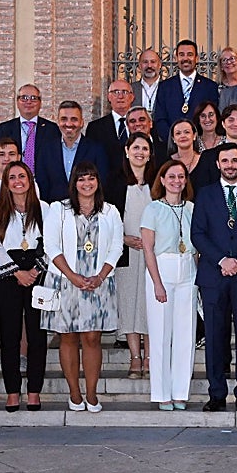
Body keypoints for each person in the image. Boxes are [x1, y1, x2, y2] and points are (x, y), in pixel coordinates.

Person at [41, 162, 123, 413]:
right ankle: (74, 394)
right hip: (66, 280)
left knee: (92, 337)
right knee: (68, 337)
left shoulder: (110, 211)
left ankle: (92, 393)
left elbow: (117, 247)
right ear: (73, 183)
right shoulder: (59, 209)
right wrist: (73, 276)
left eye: (91, 178)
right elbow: (51, 246)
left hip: (99, 281)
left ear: (98, 181)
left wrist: (100, 276)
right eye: (81, 179)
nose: (86, 183)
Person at [192, 142, 237, 411]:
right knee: (214, 336)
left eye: (235, 160)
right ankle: (217, 393)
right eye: (225, 161)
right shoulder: (205, 194)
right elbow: (197, 234)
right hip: (214, 275)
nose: (230, 165)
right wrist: (222, 260)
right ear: (218, 164)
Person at [0, 162, 49, 412]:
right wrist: (16, 272)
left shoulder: (44, 208)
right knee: (10, 334)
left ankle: (34, 391)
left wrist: (35, 269)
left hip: (38, 272)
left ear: (29, 179)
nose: (17, 181)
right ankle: (12, 391)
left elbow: (53, 241)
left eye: (22, 176)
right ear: (6, 182)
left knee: (37, 334)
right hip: (8, 276)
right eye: (12, 177)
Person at [141, 160, 197, 411]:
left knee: (186, 334)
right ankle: (162, 392)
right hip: (161, 269)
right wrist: (157, 283)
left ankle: (180, 391)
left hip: (188, 271)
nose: (176, 181)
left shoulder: (193, 208)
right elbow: (148, 248)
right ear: (162, 180)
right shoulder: (152, 209)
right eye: (171, 176)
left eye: (181, 177)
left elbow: (198, 246)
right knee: (161, 335)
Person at [104, 132, 156, 377]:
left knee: (149, 305)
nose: (140, 152)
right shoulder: (114, 182)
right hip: (125, 253)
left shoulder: (158, 181)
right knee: (128, 304)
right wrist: (123, 238)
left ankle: (150, 357)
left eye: (145, 148)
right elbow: (104, 220)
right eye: (136, 148)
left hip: (153, 254)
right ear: (126, 151)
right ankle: (135, 358)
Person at [35, 100, 110, 202]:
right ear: (58, 122)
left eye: (74, 119)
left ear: (82, 122)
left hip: (87, 210)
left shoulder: (96, 150)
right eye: (64, 119)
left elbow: (102, 183)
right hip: (55, 211)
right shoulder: (45, 150)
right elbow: (42, 184)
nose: (69, 124)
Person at [153, 38, 220, 140]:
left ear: (196, 58)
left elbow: (212, 118)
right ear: (176, 58)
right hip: (171, 145)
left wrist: (198, 139)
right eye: (181, 55)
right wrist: (173, 139)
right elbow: (160, 118)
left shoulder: (210, 86)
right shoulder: (165, 87)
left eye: (190, 54)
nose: (185, 58)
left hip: (200, 144)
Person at [0, 83, 58, 173]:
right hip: (13, 181)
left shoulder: (52, 129)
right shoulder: (4, 129)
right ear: (17, 102)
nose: (29, 102)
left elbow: (56, 159)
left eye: (33, 98)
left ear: (40, 103)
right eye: (24, 98)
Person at [85, 79, 136, 170]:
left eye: (125, 92)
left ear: (132, 97)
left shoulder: (143, 124)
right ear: (108, 97)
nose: (120, 96)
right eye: (115, 92)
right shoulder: (95, 128)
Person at [167, 118, 210, 190]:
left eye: (186, 132)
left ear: (194, 135)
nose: (182, 136)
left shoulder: (206, 160)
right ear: (173, 139)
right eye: (178, 133)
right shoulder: (166, 162)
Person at [132, 48, 163, 114]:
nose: (149, 66)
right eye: (145, 62)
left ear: (159, 65)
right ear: (140, 66)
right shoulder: (131, 89)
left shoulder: (169, 88)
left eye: (153, 62)